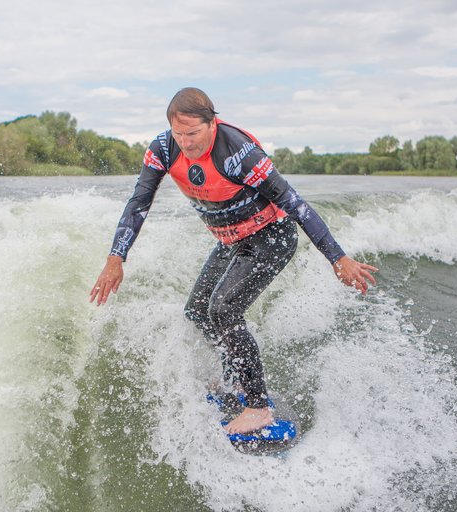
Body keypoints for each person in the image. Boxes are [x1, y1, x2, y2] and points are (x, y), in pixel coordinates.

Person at [90, 88, 377, 434]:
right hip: (233, 241)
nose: (186, 143)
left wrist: (338, 258)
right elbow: (139, 202)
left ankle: (258, 407)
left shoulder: (239, 154)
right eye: (179, 133)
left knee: (223, 309)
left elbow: (295, 203)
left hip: (272, 238)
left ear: (213, 124)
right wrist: (115, 258)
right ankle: (238, 381)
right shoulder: (163, 149)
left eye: (193, 133)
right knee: (198, 310)